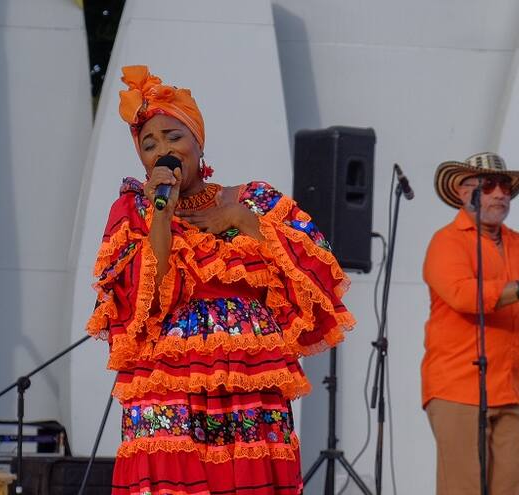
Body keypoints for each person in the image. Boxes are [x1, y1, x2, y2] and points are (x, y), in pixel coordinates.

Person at [86, 65, 355, 495]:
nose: (161, 151)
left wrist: (240, 219)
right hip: (168, 379)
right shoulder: (134, 211)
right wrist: (162, 213)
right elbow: (146, 297)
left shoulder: (253, 199)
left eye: (173, 137)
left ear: (198, 142)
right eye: (148, 144)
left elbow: (318, 268)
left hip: (248, 381)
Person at [422, 152, 519, 495]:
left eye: (505, 186)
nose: (500, 193)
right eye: (489, 185)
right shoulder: (446, 242)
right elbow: (463, 296)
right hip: (457, 390)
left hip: (509, 390)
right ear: (464, 193)